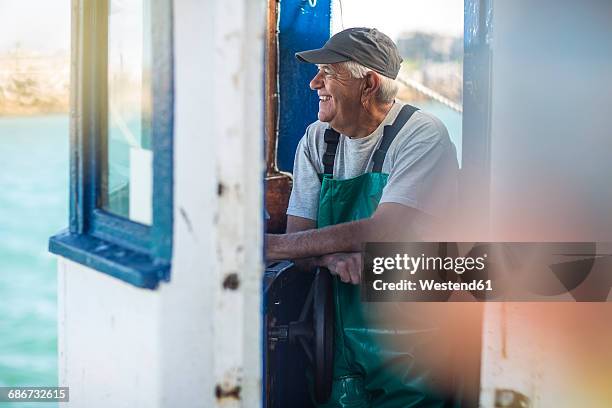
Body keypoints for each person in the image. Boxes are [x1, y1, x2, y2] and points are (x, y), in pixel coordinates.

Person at [266, 27, 460, 407]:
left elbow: (385, 229)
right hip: (336, 339)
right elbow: (300, 238)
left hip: (413, 341)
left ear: (368, 83)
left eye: (328, 72)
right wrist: (334, 257)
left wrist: (274, 247)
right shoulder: (316, 140)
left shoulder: (421, 135)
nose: (314, 83)